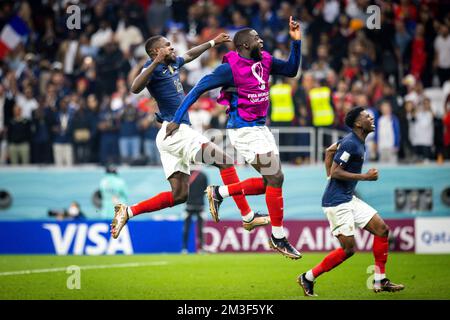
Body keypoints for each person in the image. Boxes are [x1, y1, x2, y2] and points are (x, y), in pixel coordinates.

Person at [165, 17, 303, 259]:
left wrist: (296, 42)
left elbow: (291, 70)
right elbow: (197, 89)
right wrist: (177, 118)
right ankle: (278, 237)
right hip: (243, 129)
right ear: (244, 45)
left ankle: (220, 193)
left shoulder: (266, 60)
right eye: (256, 38)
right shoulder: (229, 69)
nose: (261, 40)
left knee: (270, 183)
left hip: (262, 129)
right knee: (276, 177)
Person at [110, 33, 269, 239]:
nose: (172, 48)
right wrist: (154, 62)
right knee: (225, 161)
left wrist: (213, 42)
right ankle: (247, 216)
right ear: (156, 52)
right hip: (176, 132)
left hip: (169, 135)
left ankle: (129, 211)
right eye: (167, 46)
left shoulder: (173, 63)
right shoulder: (153, 67)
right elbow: (135, 88)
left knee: (179, 196)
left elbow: (189, 55)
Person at [297, 107, 405, 296]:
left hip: (347, 198)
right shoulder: (351, 143)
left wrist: (328, 180)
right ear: (357, 123)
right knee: (348, 250)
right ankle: (308, 277)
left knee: (382, 230)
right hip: (336, 203)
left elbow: (329, 152)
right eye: (366, 116)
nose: (371, 117)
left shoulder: (353, 141)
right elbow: (336, 171)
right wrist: (364, 177)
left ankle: (380, 279)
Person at [182, 168, 208, 254]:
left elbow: (182, 190)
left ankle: (184, 248)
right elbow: (206, 190)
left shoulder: (185, 175)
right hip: (200, 205)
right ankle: (200, 248)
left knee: (186, 228)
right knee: (200, 228)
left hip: (188, 205)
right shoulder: (203, 175)